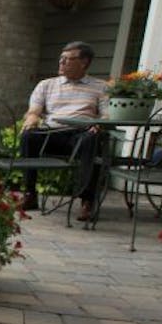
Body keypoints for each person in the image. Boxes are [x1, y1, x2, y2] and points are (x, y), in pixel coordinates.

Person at [19, 41, 107, 221]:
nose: (61, 62)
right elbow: (34, 110)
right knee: (29, 136)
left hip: (81, 135)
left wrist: (100, 124)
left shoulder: (101, 87)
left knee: (93, 139)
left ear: (84, 62)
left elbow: (107, 115)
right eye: (61, 58)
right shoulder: (46, 85)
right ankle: (30, 194)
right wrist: (32, 117)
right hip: (52, 134)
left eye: (67, 59)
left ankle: (87, 202)